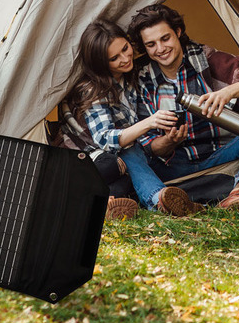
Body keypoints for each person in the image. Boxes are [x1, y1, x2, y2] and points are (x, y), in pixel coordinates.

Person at [127, 4, 239, 215]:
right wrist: (170, 142)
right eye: (151, 44)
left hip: (219, 155)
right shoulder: (142, 79)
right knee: (128, 151)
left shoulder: (204, 58)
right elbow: (150, 147)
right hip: (174, 165)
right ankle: (163, 200)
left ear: (178, 32)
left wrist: (227, 93)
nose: (160, 49)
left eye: (165, 38)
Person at [62, 19, 201, 218]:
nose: (125, 58)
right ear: (102, 63)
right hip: (90, 161)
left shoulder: (131, 76)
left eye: (125, 49)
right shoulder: (93, 89)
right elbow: (105, 139)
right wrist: (150, 122)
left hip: (123, 163)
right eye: (114, 58)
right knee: (127, 153)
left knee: (129, 179)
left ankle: (105, 202)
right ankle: (158, 199)